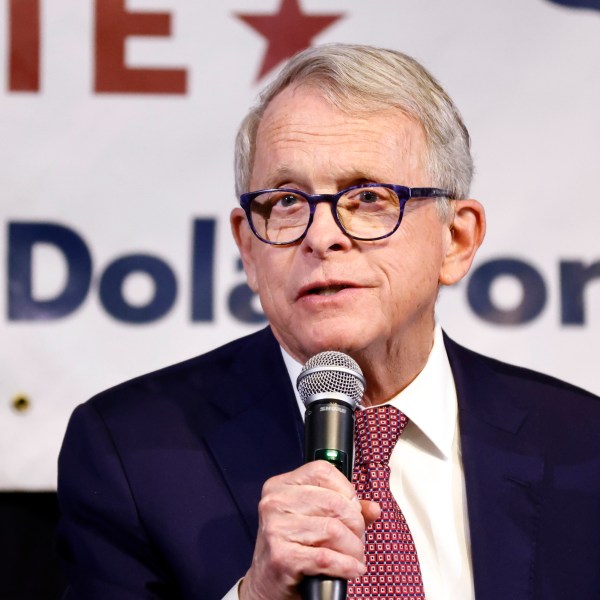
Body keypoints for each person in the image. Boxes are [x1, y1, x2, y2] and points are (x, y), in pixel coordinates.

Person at [56, 44, 600, 599]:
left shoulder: (582, 442)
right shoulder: (128, 450)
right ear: (248, 247)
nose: (321, 236)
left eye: (367, 197)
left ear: (455, 239)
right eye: (287, 201)